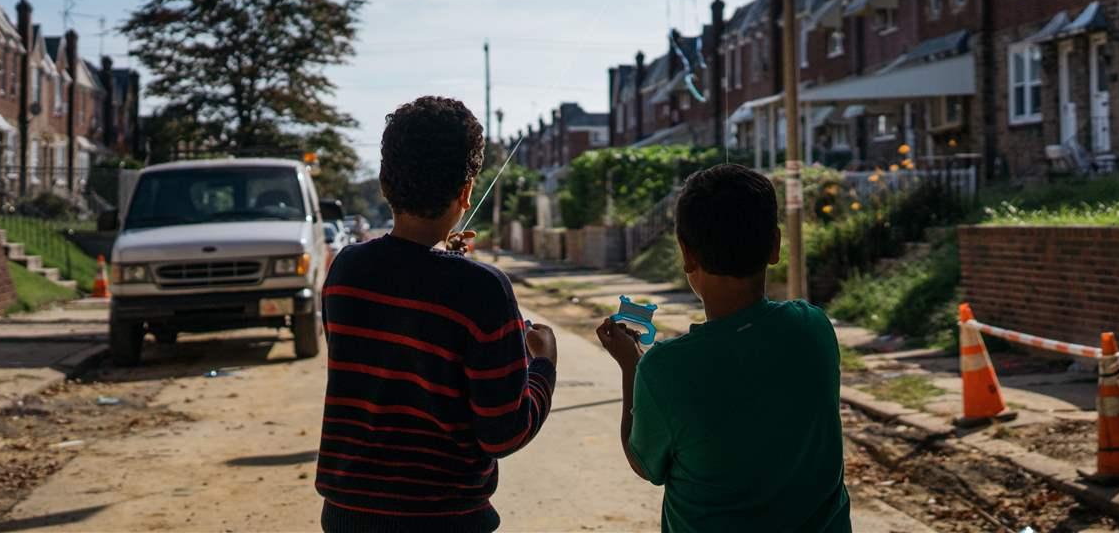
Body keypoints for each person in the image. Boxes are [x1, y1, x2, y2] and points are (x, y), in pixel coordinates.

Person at [317, 96, 557, 531]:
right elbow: (504, 433)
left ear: (385, 184)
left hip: (347, 516)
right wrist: (543, 366)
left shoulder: (345, 271)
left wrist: (443, 265)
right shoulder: (483, 290)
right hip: (447, 518)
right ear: (465, 192)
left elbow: (391, 346)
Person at [595, 163, 851, 532]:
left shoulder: (665, 370)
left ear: (687, 254)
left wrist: (632, 367)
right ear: (775, 245)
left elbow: (645, 464)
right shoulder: (813, 327)